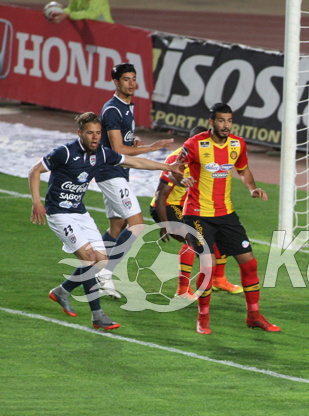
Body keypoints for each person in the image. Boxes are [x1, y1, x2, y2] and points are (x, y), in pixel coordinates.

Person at [28, 112, 182, 329]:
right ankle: (97, 315)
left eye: (98, 133)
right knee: (90, 259)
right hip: (59, 214)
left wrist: (168, 167)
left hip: (80, 213)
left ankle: (62, 291)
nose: (95, 138)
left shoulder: (101, 153)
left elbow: (134, 162)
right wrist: (37, 202)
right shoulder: (65, 152)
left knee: (100, 261)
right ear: (80, 133)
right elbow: (35, 171)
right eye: (90, 133)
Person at [180, 102, 279, 335]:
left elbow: (243, 170)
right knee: (208, 266)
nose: (226, 125)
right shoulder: (195, 144)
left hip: (225, 213)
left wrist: (252, 188)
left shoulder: (237, 144)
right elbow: (176, 167)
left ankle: (253, 316)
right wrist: (180, 179)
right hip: (197, 213)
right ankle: (203, 318)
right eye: (221, 121)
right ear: (211, 122)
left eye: (230, 121)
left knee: (249, 262)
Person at [95, 62, 174, 299]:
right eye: (127, 79)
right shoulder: (113, 110)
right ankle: (105, 273)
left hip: (119, 172)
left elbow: (122, 140)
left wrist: (135, 141)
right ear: (116, 82)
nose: (132, 83)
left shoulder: (126, 107)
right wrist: (151, 148)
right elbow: (118, 148)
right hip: (111, 172)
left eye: (133, 78)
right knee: (138, 226)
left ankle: (93, 268)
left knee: (116, 227)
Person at [151, 126, 243, 299]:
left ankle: (218, 279)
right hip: (168, 207)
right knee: (193, 240)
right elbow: (161, 195)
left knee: (219, 233)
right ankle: (182, 290)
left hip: (190, 207)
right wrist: (165, 225)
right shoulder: (176, 159)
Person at [47, 0, 114, 24]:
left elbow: (92, 14)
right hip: (89, 31)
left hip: (105, 31)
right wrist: (60, 12)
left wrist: (69, 15)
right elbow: (72, 9)